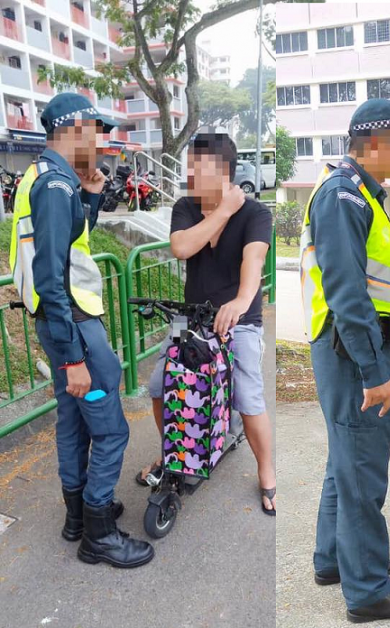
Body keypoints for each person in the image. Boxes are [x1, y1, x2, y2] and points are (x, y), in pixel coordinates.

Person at [7, 92, 153, 568]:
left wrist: (90, 194)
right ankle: (100, 535)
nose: (104, 140)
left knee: (73, 422)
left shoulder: (48, 178)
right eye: (98, 130)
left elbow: (71, 243)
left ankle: (78, 517)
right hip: (75, 326)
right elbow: (52, 272)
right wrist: (73, 357)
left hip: (58, 322)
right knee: (110, 430)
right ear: (74, 131)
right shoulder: (54, 185)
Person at [300, 99, 390, 622]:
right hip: (358, 353)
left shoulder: (357, 195)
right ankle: (369, 589)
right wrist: (375, 372)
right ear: (375, 141)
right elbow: (347, 292)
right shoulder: (344, 196)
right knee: (362, 476)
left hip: (354, 349)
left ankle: (334, 561)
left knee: (343, 464)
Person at [134, 133, 276, 515]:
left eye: (199, 170)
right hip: (191, 319)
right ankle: (173, 456)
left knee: (247, 398)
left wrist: (241, 301)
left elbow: (254, 262)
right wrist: (223, 210)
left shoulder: (257, 214)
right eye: (189, 169)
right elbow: (181, 247)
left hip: (240, 322)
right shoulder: (186, 207)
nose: (190, 177)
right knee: (159, 385)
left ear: (225, 172)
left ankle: (267, 472)